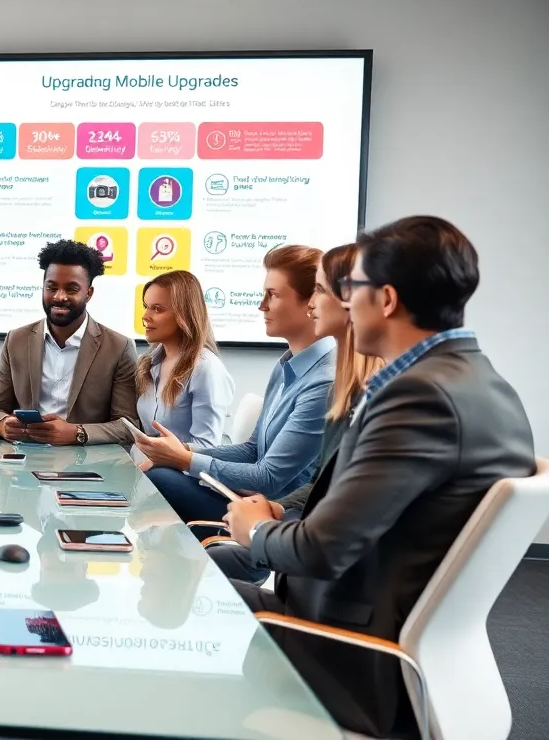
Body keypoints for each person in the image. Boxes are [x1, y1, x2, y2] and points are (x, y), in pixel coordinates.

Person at [224, 217, 535, 738]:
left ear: (385, 299)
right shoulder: (479, 381)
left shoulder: (419, 398)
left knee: (193, 589)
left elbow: (322, 550)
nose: (344, 302)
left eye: (352, 288)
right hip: (384, 633)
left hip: (354, 656)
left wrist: (254, 530)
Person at [208, 243, 383, 585]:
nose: (313, 303)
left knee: (199, 578)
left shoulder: (372, 395)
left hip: (321, 585)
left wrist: (261, 530)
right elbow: (324, 483)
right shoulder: (344, 387)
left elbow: (343, 523)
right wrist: (275, 511)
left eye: (319, 290)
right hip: (297, 541)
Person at [132, 246, 335, 523]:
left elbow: (270, 478)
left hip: (274, 512)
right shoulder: (286, 365)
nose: (261, 305)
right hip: (247, 496)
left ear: (311, 302)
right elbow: (252, 450)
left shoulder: (324, 381)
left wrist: (184, 459)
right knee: (157, 476)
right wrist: (182, 452)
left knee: (160, 479)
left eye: (272, 295)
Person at [0, 239, 139, 445]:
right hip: (25, 457)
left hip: (88, 463)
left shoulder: (118, 347)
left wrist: (77, 433)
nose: (59, 297)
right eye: (51, 287)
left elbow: (128, 425)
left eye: (71, 289)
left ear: (89, 293)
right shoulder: (16, 340)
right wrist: (3, 424)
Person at [134, 270, 235, 450]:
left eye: (157, 309)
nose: (145, 316)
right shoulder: (149, 363)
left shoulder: (206, 369)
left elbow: (207, 447)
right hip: (152, 466)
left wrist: (157, 462)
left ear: (184, 314)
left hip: (187, 472)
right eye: (146, 306)